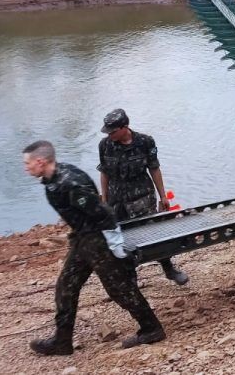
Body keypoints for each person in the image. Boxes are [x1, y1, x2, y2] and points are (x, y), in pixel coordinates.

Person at [23, 140, 165, 356]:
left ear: (40, 162)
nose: (26, 168)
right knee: (66, 287)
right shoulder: (54, 178)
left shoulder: (69, 183)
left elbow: (102, 212)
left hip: (98, 241)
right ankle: (62, 342)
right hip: (82, 240)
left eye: (28, 163)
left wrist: (115, 241)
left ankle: (151, 328)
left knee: (119, 289)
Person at [96, 109, 188, 285]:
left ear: (125, 127)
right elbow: (104, 172)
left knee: (153, 235)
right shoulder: (105, 145)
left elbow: (154, 168)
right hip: (117, 201)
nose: (110, 135)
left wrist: (163, 196)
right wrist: (104, 199)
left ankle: (169, 270)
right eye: (107, 132)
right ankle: (129, 279)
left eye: (113, 131)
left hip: (142, 199)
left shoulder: (145, 142)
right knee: (119, 239)